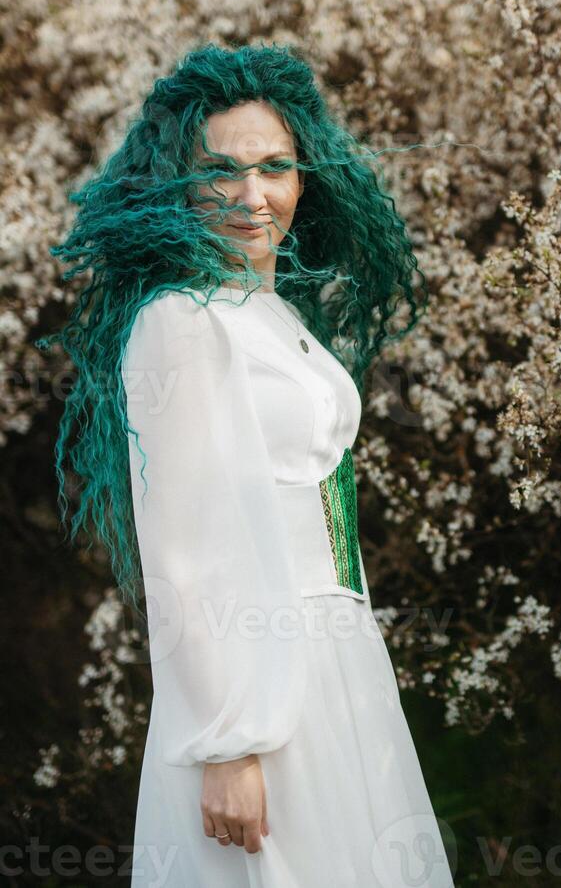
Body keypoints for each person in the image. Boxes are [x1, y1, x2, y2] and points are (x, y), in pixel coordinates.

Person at [42, 43, 456, 887]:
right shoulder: (182, 322)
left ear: (306, 179)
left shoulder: (269, 313)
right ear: (176, 183)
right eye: (220, 171)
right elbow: (188, 549)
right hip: (257, 686)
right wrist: (229, 744)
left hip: (337, 661)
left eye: (274, 168)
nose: (250, 196)